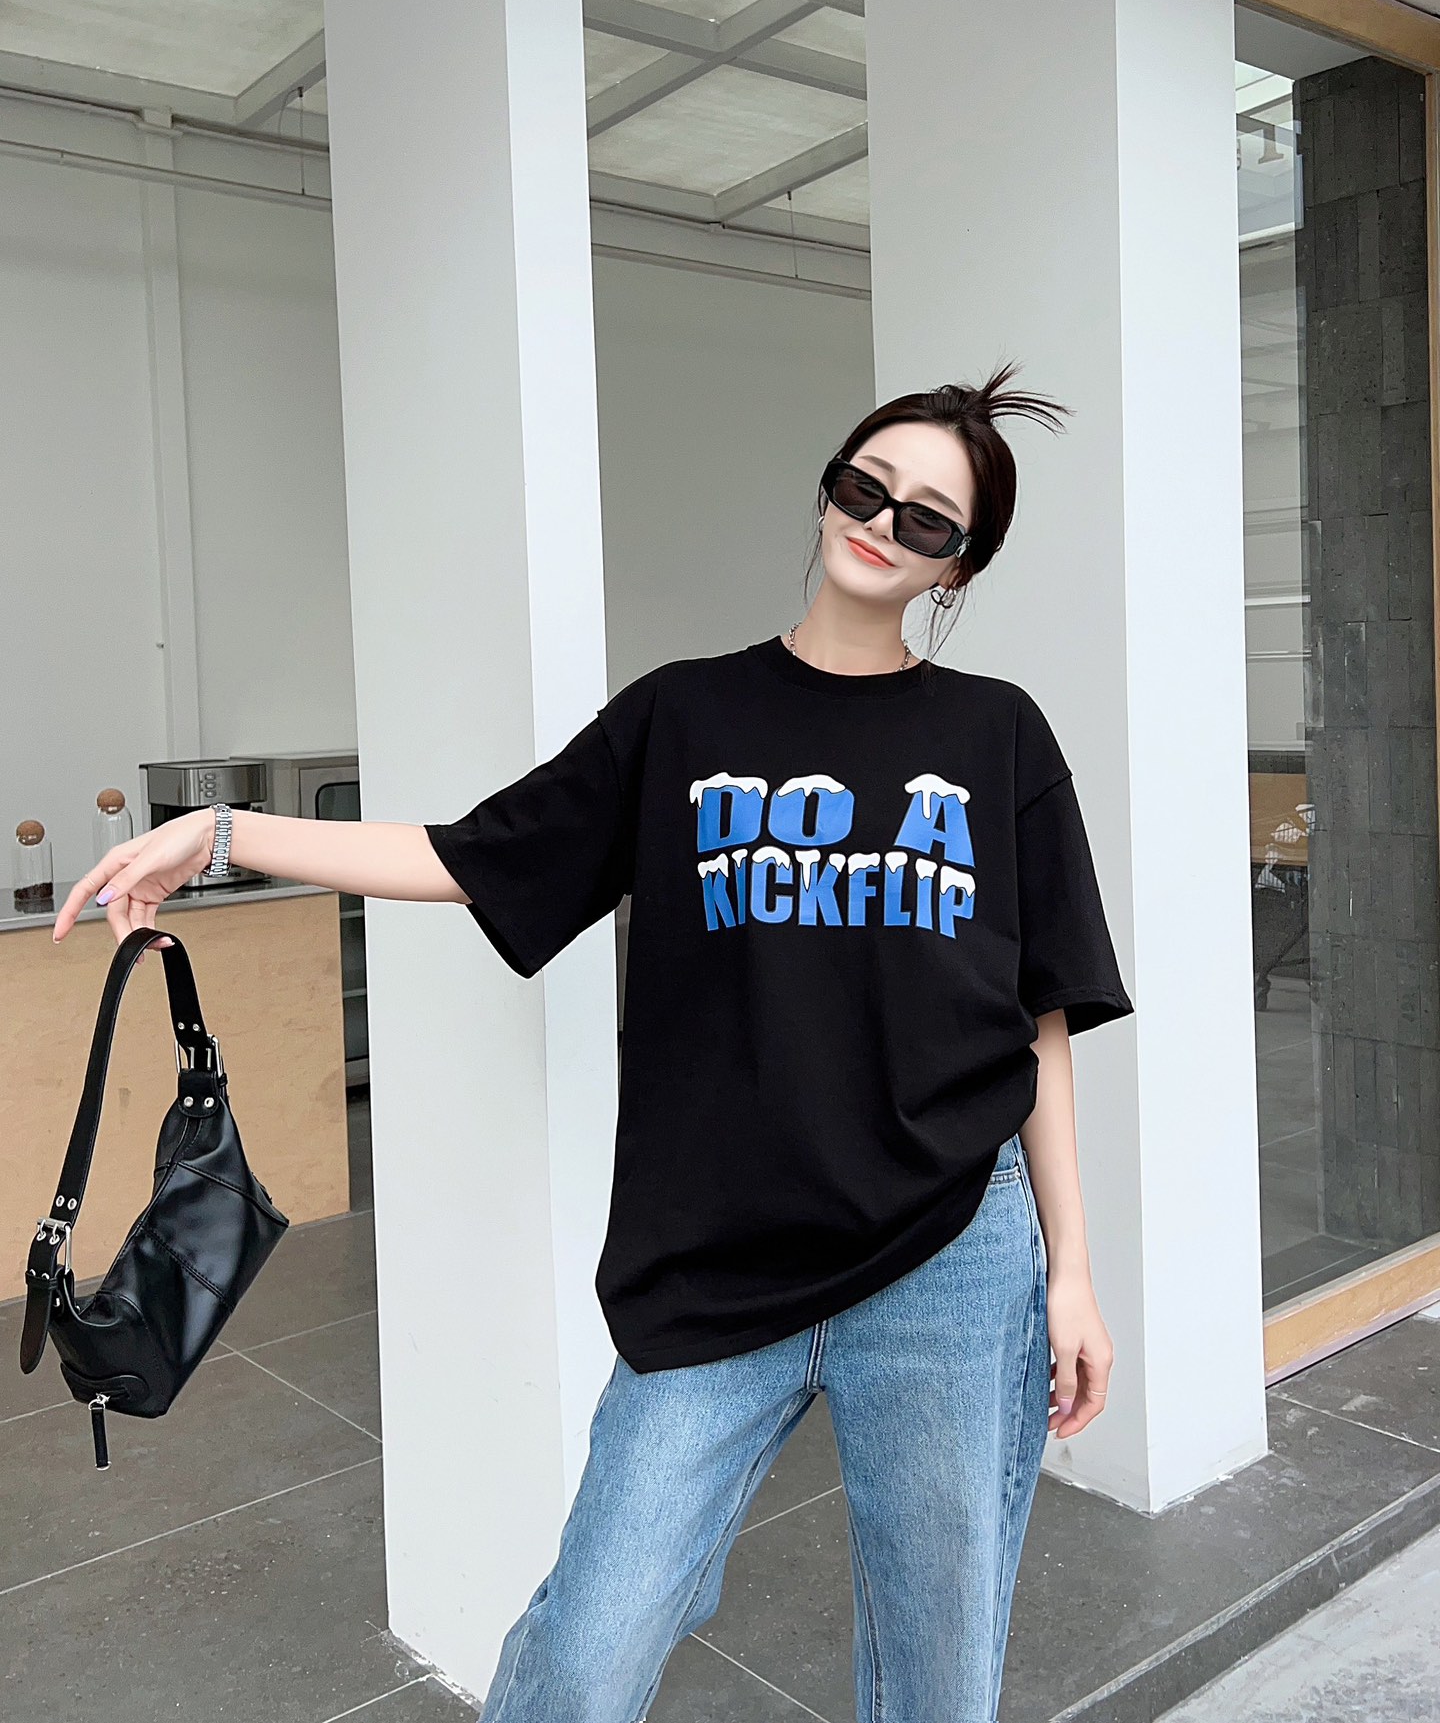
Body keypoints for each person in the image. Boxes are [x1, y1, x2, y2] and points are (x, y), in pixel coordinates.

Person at [53, 361, 1135, 1722]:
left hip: (951, 1259)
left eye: (926, 517)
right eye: (867, 486)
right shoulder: (685, 715)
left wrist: (1071, 1272)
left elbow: (1038, 1018)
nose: (882, 524)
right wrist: (219, 834)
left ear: (958, 562)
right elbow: (471, 855)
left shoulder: (997, 734)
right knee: (585, 1654)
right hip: (717, 1256)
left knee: (937, 1676)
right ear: (827, 489)